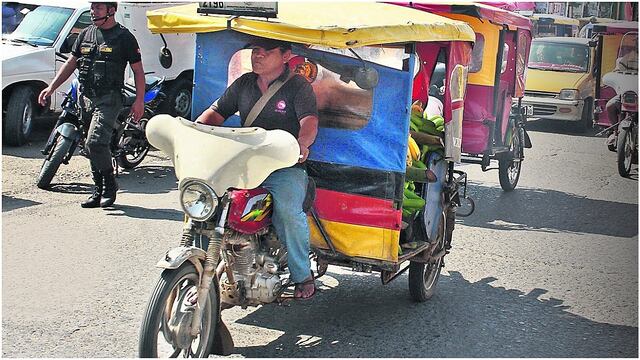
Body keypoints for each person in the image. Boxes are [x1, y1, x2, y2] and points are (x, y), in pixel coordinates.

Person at [195, 38, 319, 300]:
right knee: (202, 198)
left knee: (287, 211)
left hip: (284, 166)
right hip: (245, 163)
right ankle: (199, 267)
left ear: (286, 56)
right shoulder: (244, 84)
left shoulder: (298, 87)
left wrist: (302, 144)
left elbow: (309, 123)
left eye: (265, 51)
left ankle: (302, 275)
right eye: (255, 51)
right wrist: (195, 130)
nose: (257, 56)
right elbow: (215, 113)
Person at [38, 2, 145, 208]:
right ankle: (97, 190)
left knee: (94, 142)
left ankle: (110, 185)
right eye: (93, 7)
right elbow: (71, 62)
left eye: (98, 8)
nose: (93, 11)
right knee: (91, 147)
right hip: (85, 98)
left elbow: (138, 71)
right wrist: (51, 87)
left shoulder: (125, 38)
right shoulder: (85, 34)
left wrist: (139, 101)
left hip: (109, 99)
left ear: (111, 11)